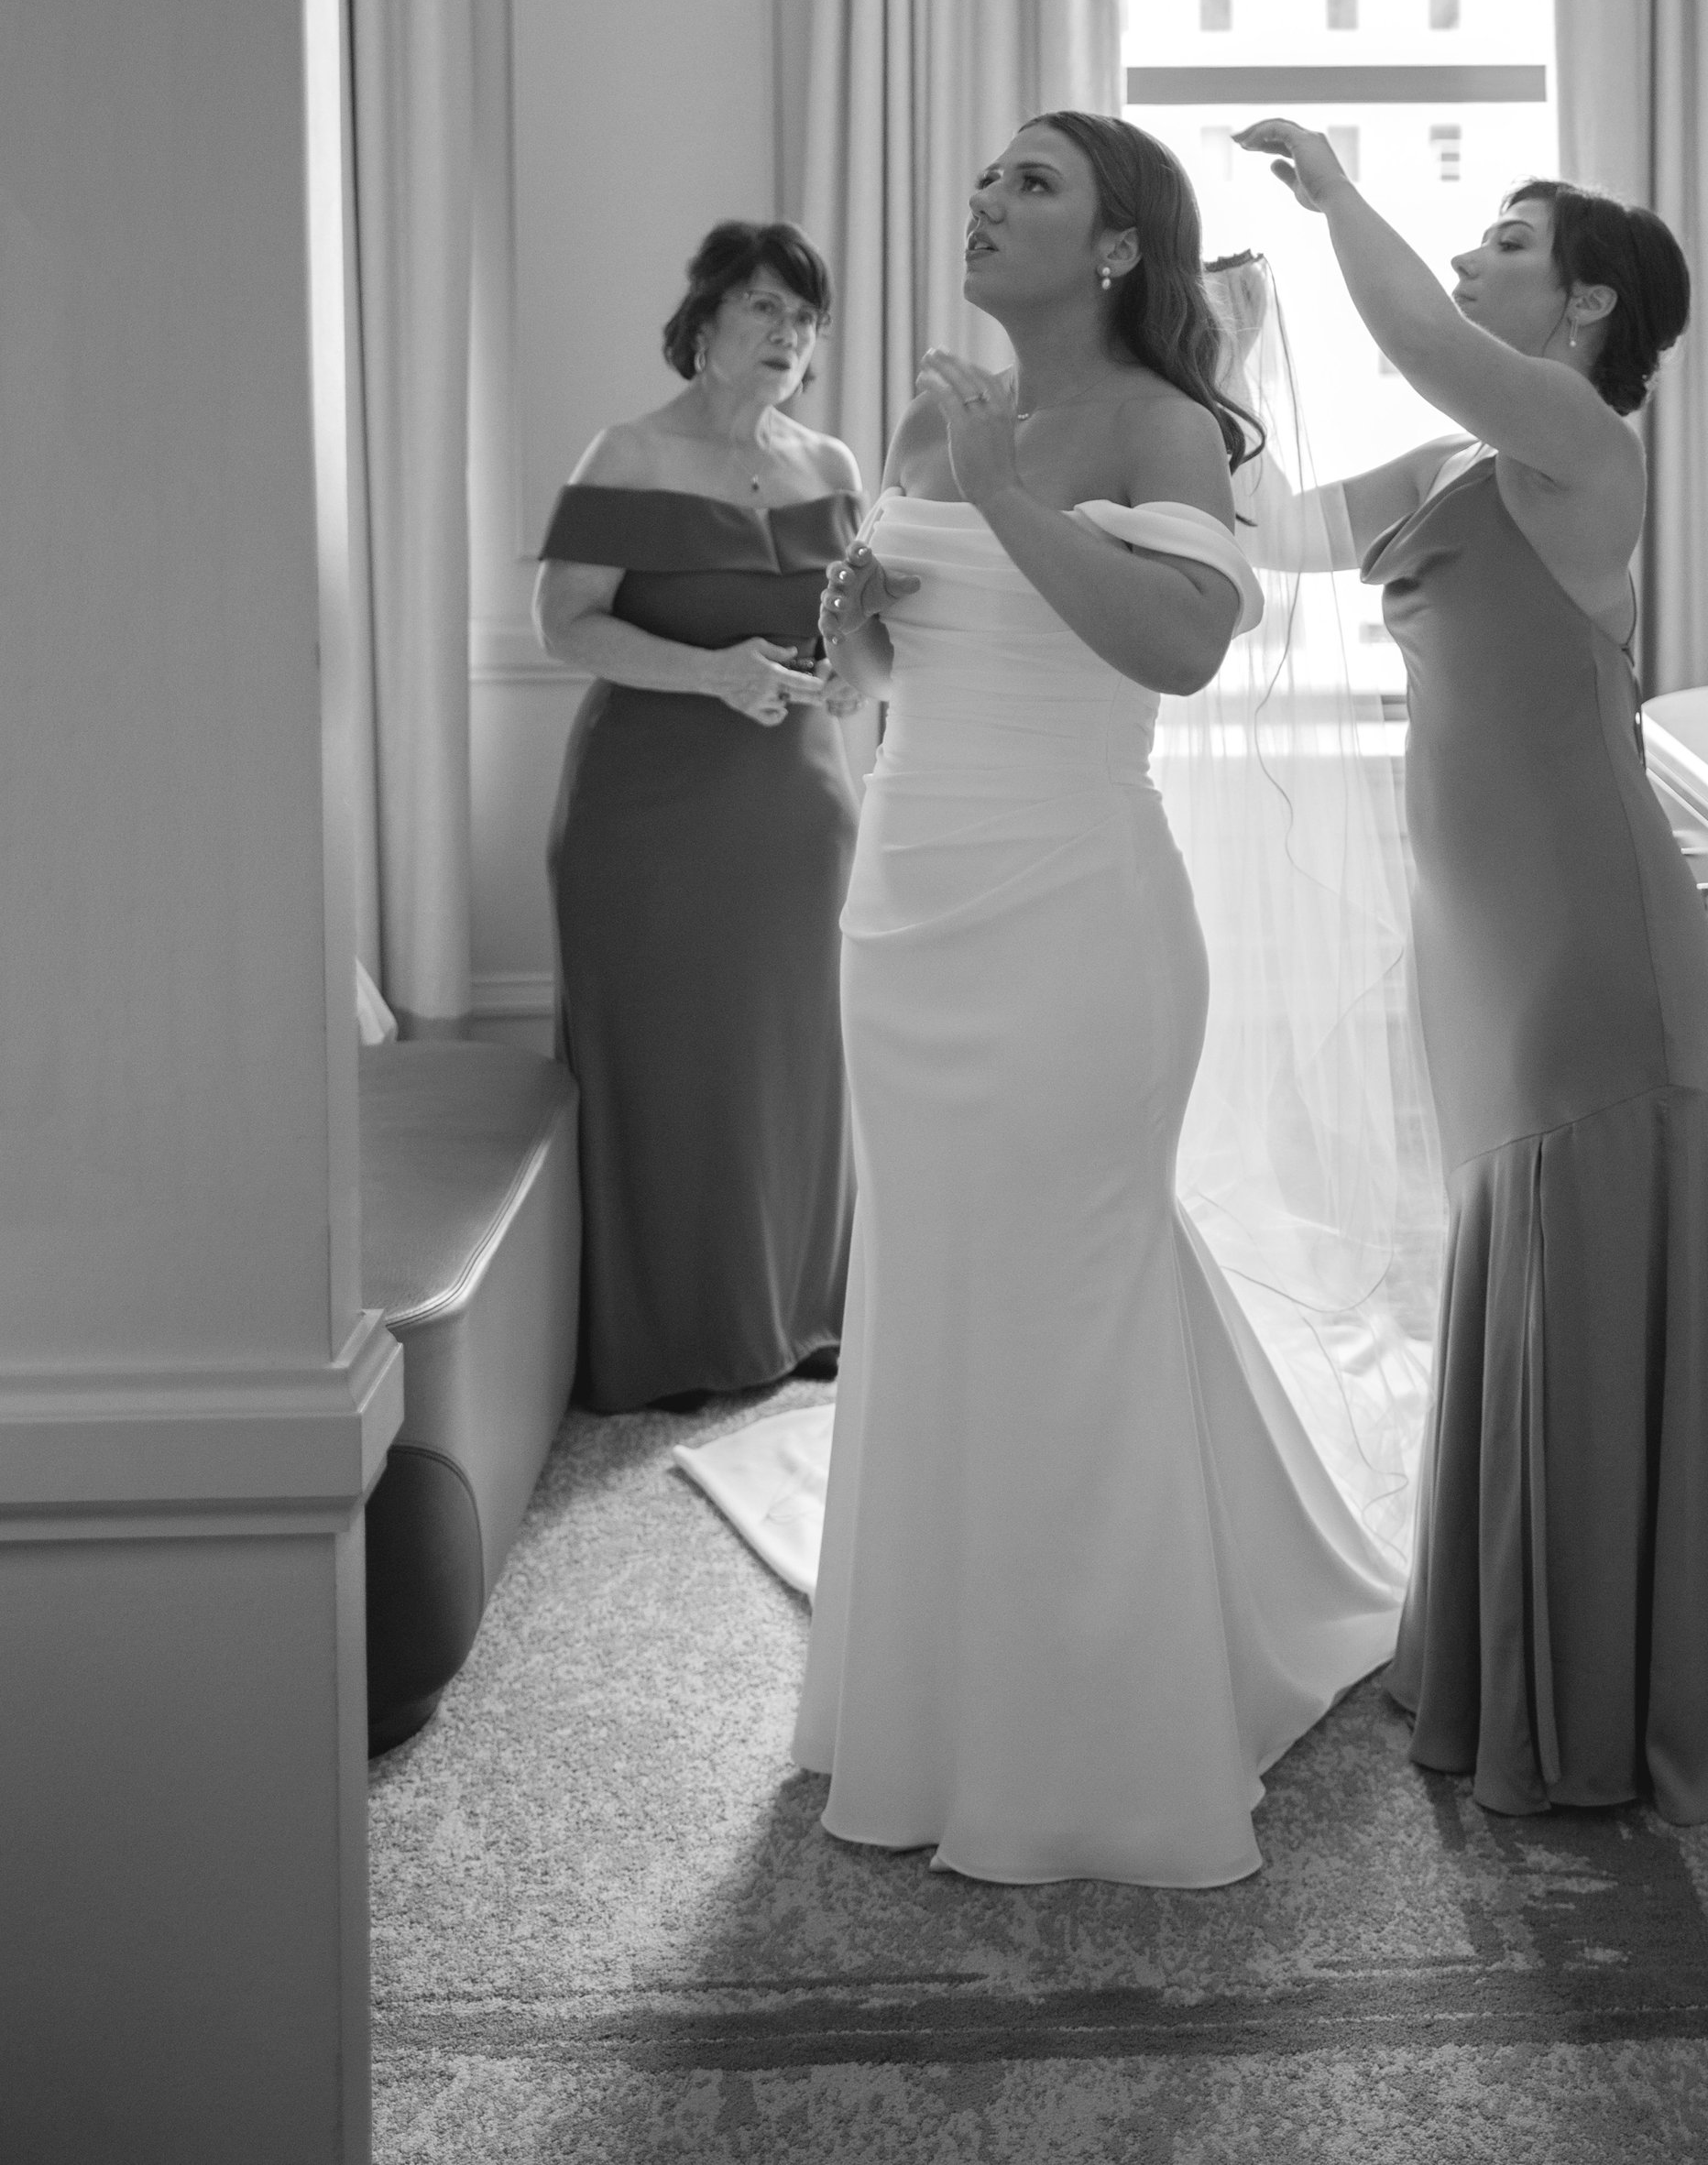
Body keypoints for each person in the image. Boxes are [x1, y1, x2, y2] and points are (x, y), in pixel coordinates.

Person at [793, 114, 1403, 1887]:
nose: (983, 202)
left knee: (1064, 1297)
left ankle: (1089, 1736)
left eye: (1030, 185)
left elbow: (1177, 652)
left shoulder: (1160, 428)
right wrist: (853, 630)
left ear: (1119, 245)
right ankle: (922, 1704)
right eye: (983, 179)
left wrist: (989, 500)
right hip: (904, 909)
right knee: (929, 1300)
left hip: (1071, 919)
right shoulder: (932, 413)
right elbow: (884, 681)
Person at [1231, 122, 1708, 1825]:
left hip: (1579, 930)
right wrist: (1227, 371)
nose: (1473, 261)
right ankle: (1523, 1657)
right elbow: (1267, 531)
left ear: (1586, 302)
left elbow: (1419, 334)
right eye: (1471, 239)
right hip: (1482, 933)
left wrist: (1336, 190)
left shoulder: (1581, 434)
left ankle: (1604, 1698)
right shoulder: (1463, 461)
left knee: (1574, 1248)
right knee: (1511, 1251)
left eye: (1507, 243)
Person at [534, 220, 863, 1413]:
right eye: (766, 307)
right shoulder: (623, 453)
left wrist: (845, 674)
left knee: (797, 1061)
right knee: (674, 1069)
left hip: (798, 814)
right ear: (706, 320)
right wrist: (710, 669)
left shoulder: (832, 462)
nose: (789, 334)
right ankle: (677, 1337)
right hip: (651, 818)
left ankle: (801, 1314)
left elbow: (855, 633)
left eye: (806, 316)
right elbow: (563, 625)